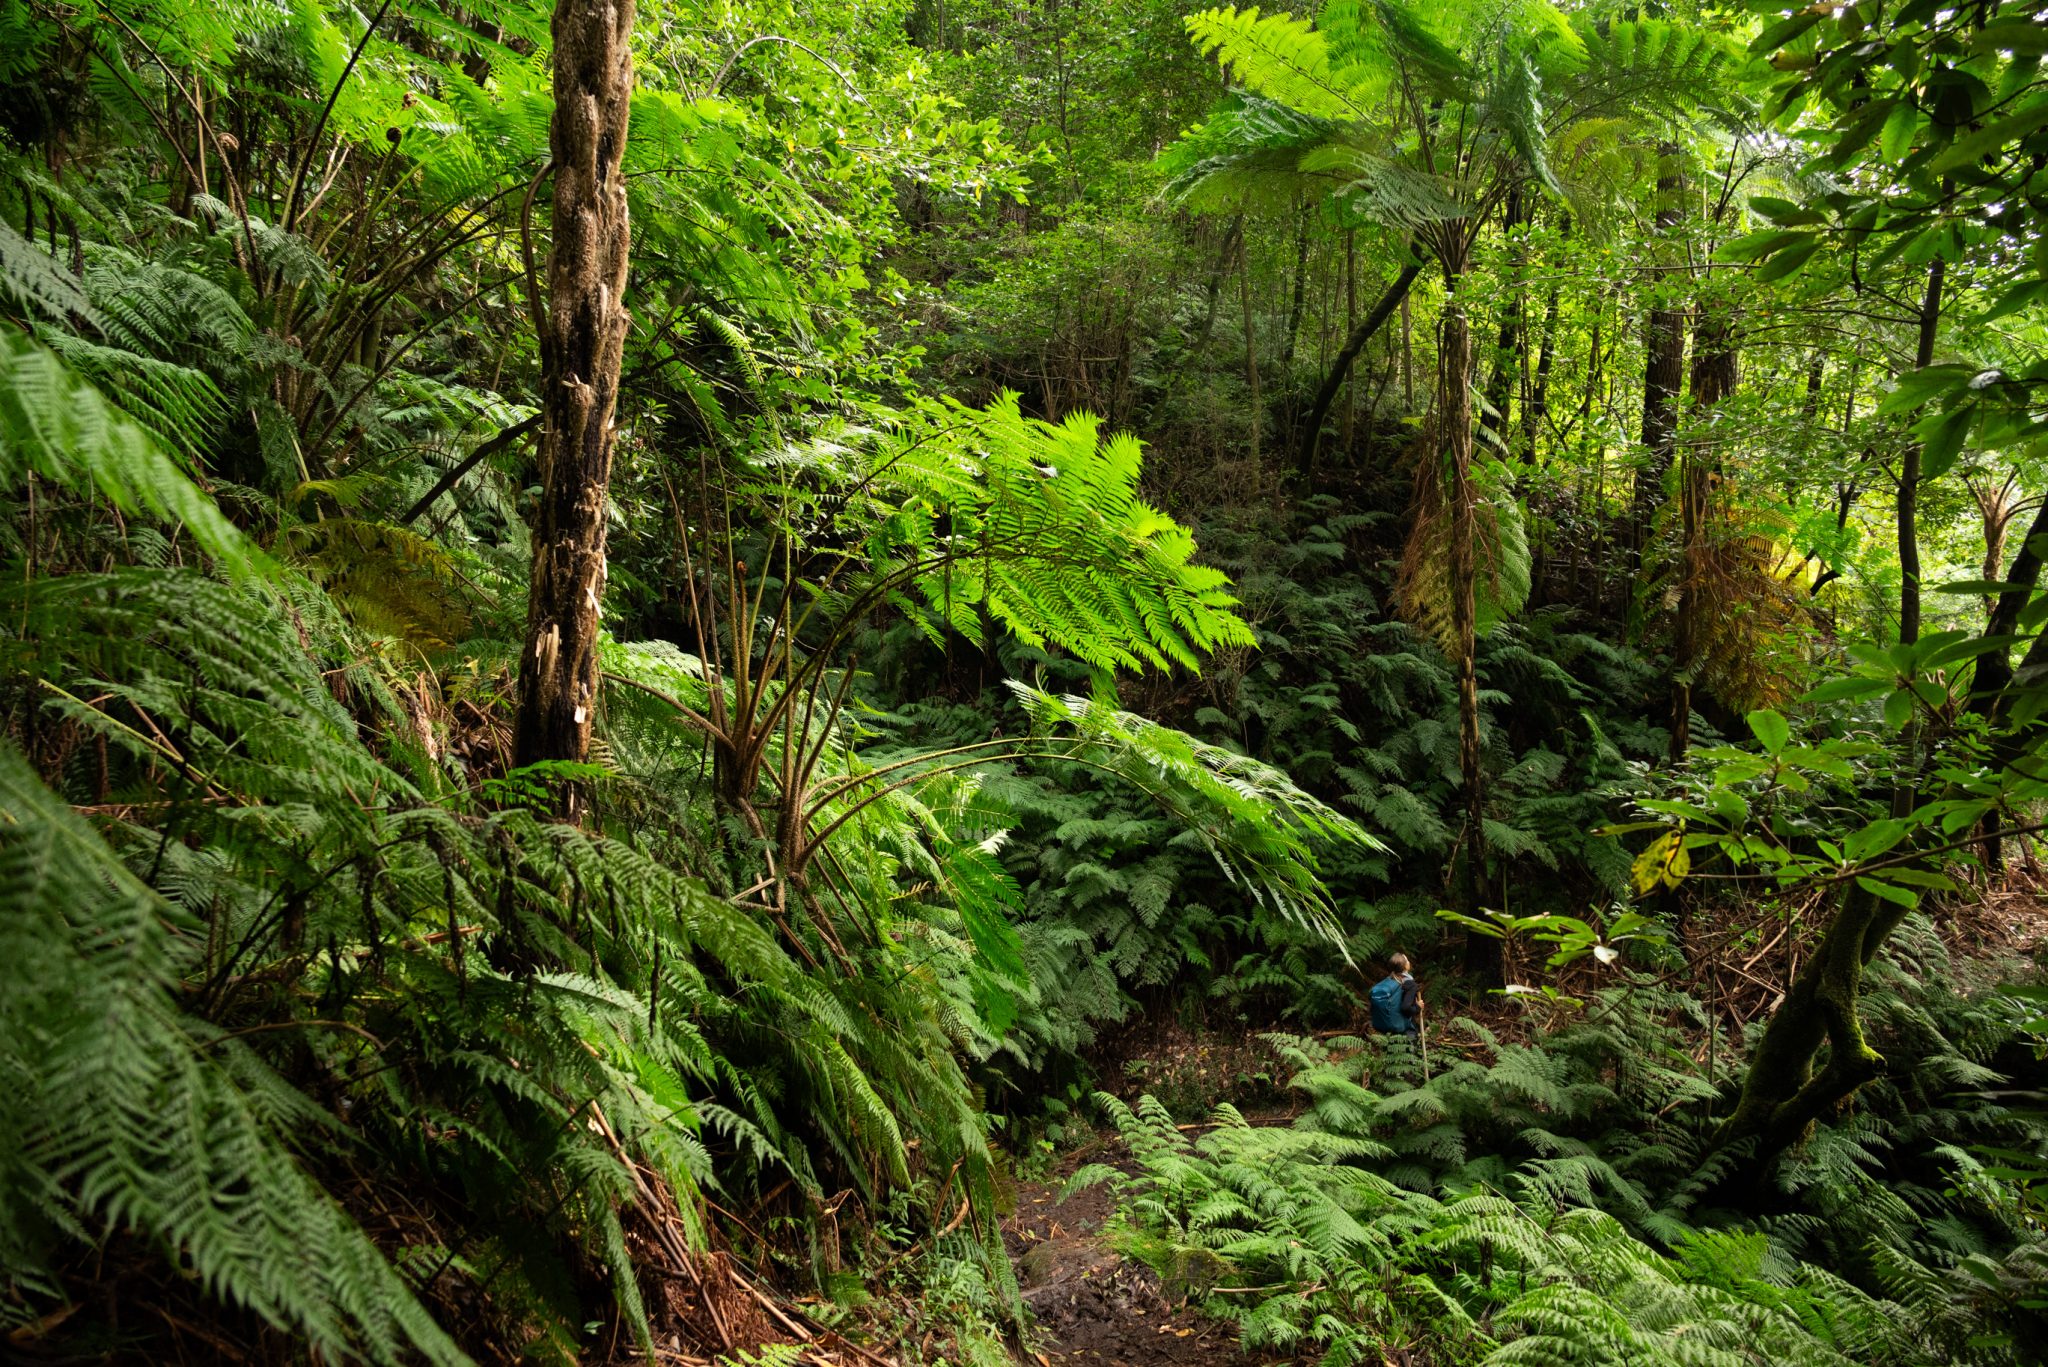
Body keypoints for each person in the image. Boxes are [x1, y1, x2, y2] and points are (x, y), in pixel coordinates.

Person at [1368, 952, 1422, 1036]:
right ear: (1405, 966)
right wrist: (1418, 1007)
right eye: (1407, 960)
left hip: (1386, 1027)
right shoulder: (1410, 984)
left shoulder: (1389, 979)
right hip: (1402, 1029)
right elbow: (1406, 1008)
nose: (1408, 961)